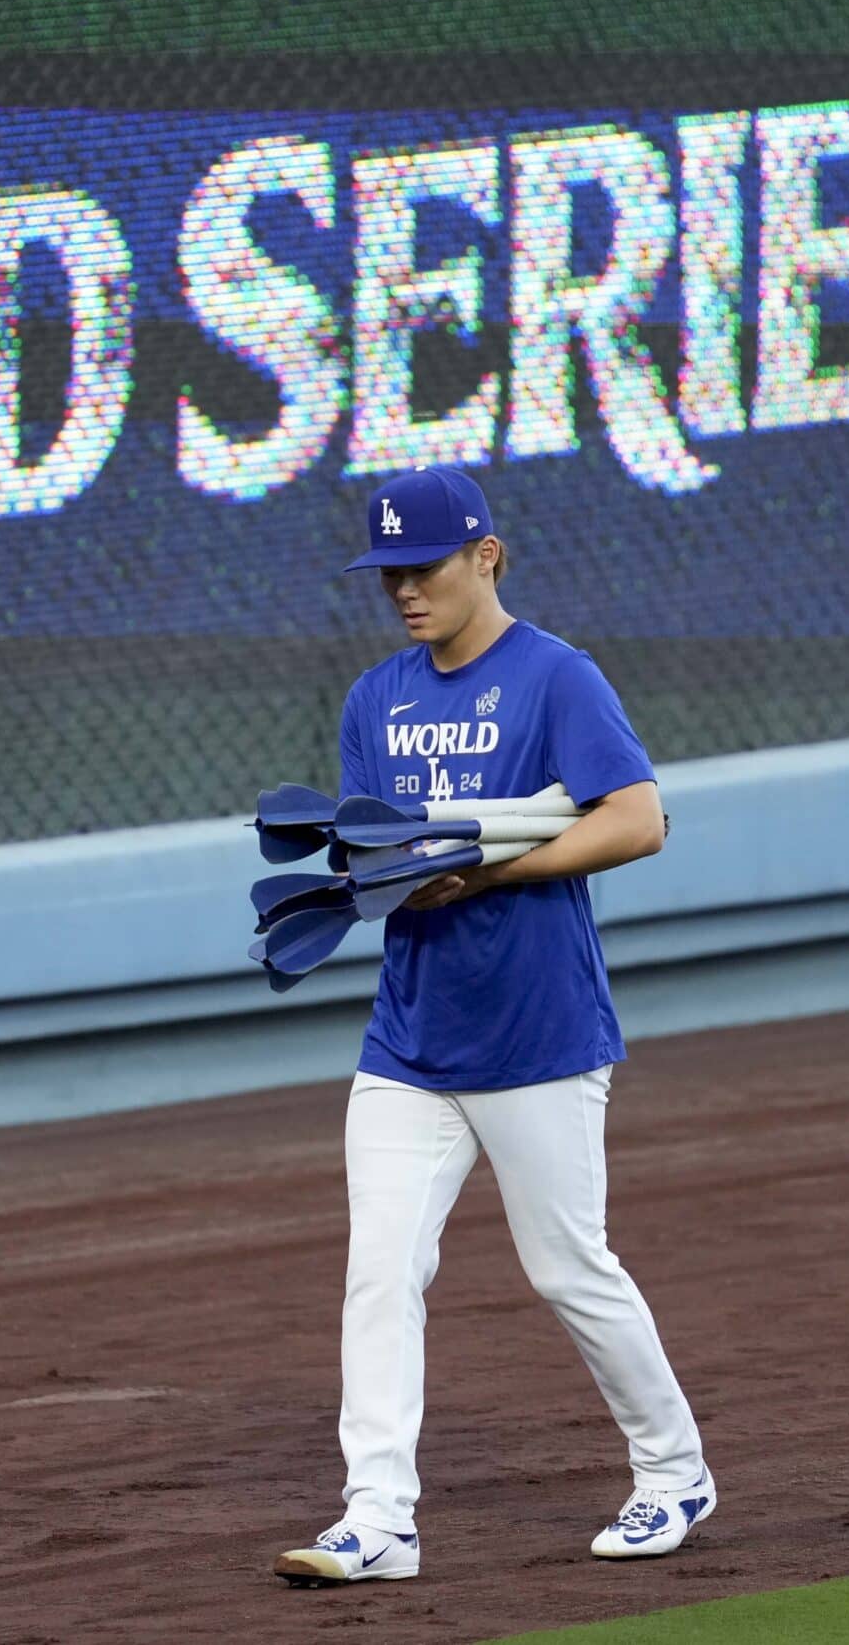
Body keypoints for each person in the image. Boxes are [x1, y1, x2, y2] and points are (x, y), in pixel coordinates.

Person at [273, 466, 711, 1588]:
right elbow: (379, 855)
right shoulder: (376, 699)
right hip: (410, 1041)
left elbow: (639, 819)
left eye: (421, 568)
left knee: (569, 1269)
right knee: (380, 1270)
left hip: (538, 1034)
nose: (404, 592)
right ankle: (377, 1519)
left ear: (487, 556)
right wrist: (402, 881)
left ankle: (672, 1475)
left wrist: (494, 870)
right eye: (388, 576)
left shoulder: (557, 679)